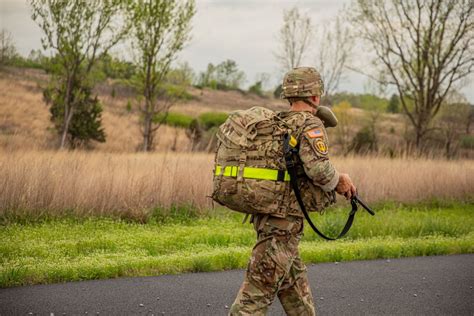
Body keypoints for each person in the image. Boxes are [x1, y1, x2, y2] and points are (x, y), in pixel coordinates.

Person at [229, 67, 357, 316]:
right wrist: (340, 180)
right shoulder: (310, 124)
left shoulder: (279, 122)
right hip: (282, 227)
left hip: (273, 220)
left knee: (298, 296)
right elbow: (319, 170)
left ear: (288, 94)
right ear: (316, 96)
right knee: (252, 300)